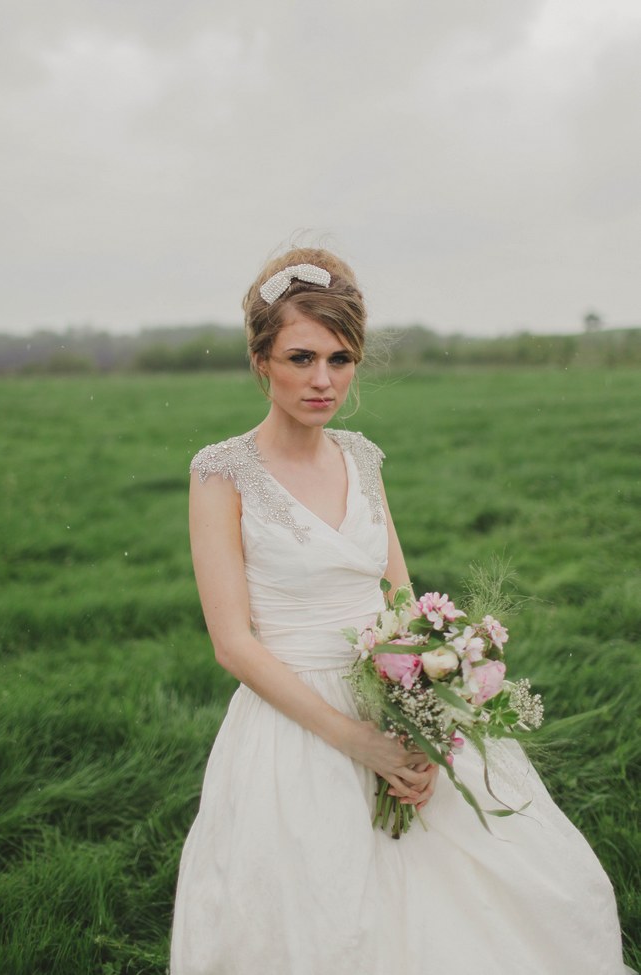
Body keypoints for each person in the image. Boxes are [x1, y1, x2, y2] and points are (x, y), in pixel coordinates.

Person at [170, 247, 631, 975]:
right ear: (260, 359)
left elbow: (400, 600)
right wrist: (359, 743)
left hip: (389, 695)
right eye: (300, 356)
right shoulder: (221, 473)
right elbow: (233, 643)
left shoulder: (362, 457)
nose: (323, 380)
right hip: (295, 723)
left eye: (341, 358)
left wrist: (421, 723)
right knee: (320, 919)